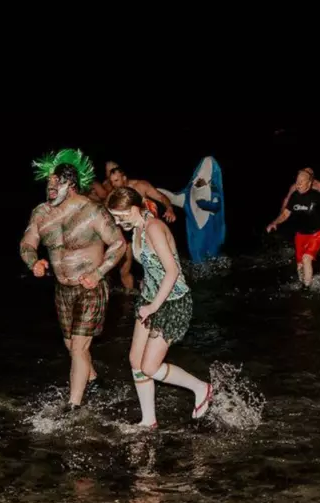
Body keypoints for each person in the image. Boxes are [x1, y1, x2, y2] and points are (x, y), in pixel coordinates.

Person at [20, 149, 127, 409]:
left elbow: (118, 244)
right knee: (71, 346)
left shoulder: (92, 211)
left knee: (78, 347)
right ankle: (93, 380)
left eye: (56, 183)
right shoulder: (41, 214)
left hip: (91, 285)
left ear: (71, 184)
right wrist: (34, 262)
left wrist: (98, 273)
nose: (51, 188)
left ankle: (73, 406)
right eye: (48, 183)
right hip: (62, 289)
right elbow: (26, 243)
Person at [105, 186, 212, 427]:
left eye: (119, 216)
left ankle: (202, 388)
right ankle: (148, 420)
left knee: (150, 367)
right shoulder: (137, 228)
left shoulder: (153, 228)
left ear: (133, 209)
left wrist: (153, 306)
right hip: (150, 299)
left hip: (172, 302)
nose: (116, 221)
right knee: (135, 360)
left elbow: (172, 271)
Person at [266, 169, 320, 286]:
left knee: (307, 259)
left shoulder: (318, 197)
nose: (298, 184)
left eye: (302, 181)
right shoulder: (294, 196)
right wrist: (275, 223)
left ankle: (307, 288)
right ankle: (303, 283)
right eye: (297, 181)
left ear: (310, 183)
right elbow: (285, 214)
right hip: (300, 234)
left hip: (317, 233)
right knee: (300, 264)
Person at [108, 163, 177, 292]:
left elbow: (161, 197)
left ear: (124, 177)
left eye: (116, 180)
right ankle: (131, 297)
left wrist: (169, 209)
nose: (114, 185)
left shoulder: (141, 186)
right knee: (124, 270)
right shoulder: (114, 195)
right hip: (129, 232)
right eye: (112, 182)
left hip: (148, 228)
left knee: (160, 265)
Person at [158, 156, 226, 262]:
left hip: (210, 232)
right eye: (199, 177)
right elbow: (173, 198)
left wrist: (204, 203)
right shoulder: (188, 194)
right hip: (195, 234)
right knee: (197, 260)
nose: (200, 179)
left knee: (212, 259)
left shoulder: (214, 193)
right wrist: (154, 191)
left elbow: (216, 206)